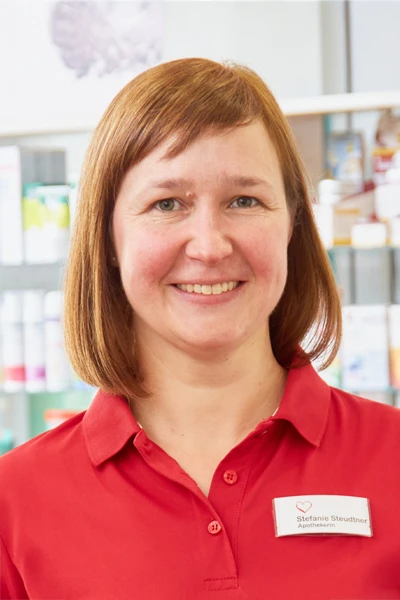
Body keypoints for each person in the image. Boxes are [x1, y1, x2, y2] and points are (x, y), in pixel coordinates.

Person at [1, 57, 399, 600]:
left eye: (244, 200)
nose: (210, 246)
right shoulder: (16, 502)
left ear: (292, 224)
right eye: (167, 204)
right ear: (108, 238)